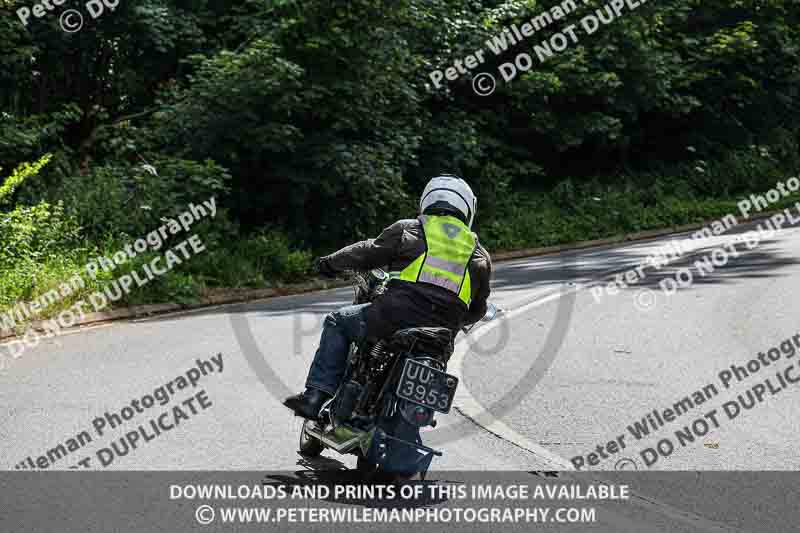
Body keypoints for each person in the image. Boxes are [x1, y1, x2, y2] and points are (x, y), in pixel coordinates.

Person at [283, 175, 492, 419]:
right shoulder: (480, 256)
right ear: (468, 209)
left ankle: (315, 397)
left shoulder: (410, 228)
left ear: (427, 200)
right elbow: (477, 310)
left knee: (337, 321)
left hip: (392, 319)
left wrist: (329, 263)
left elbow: (366, 252)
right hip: (439, 338)